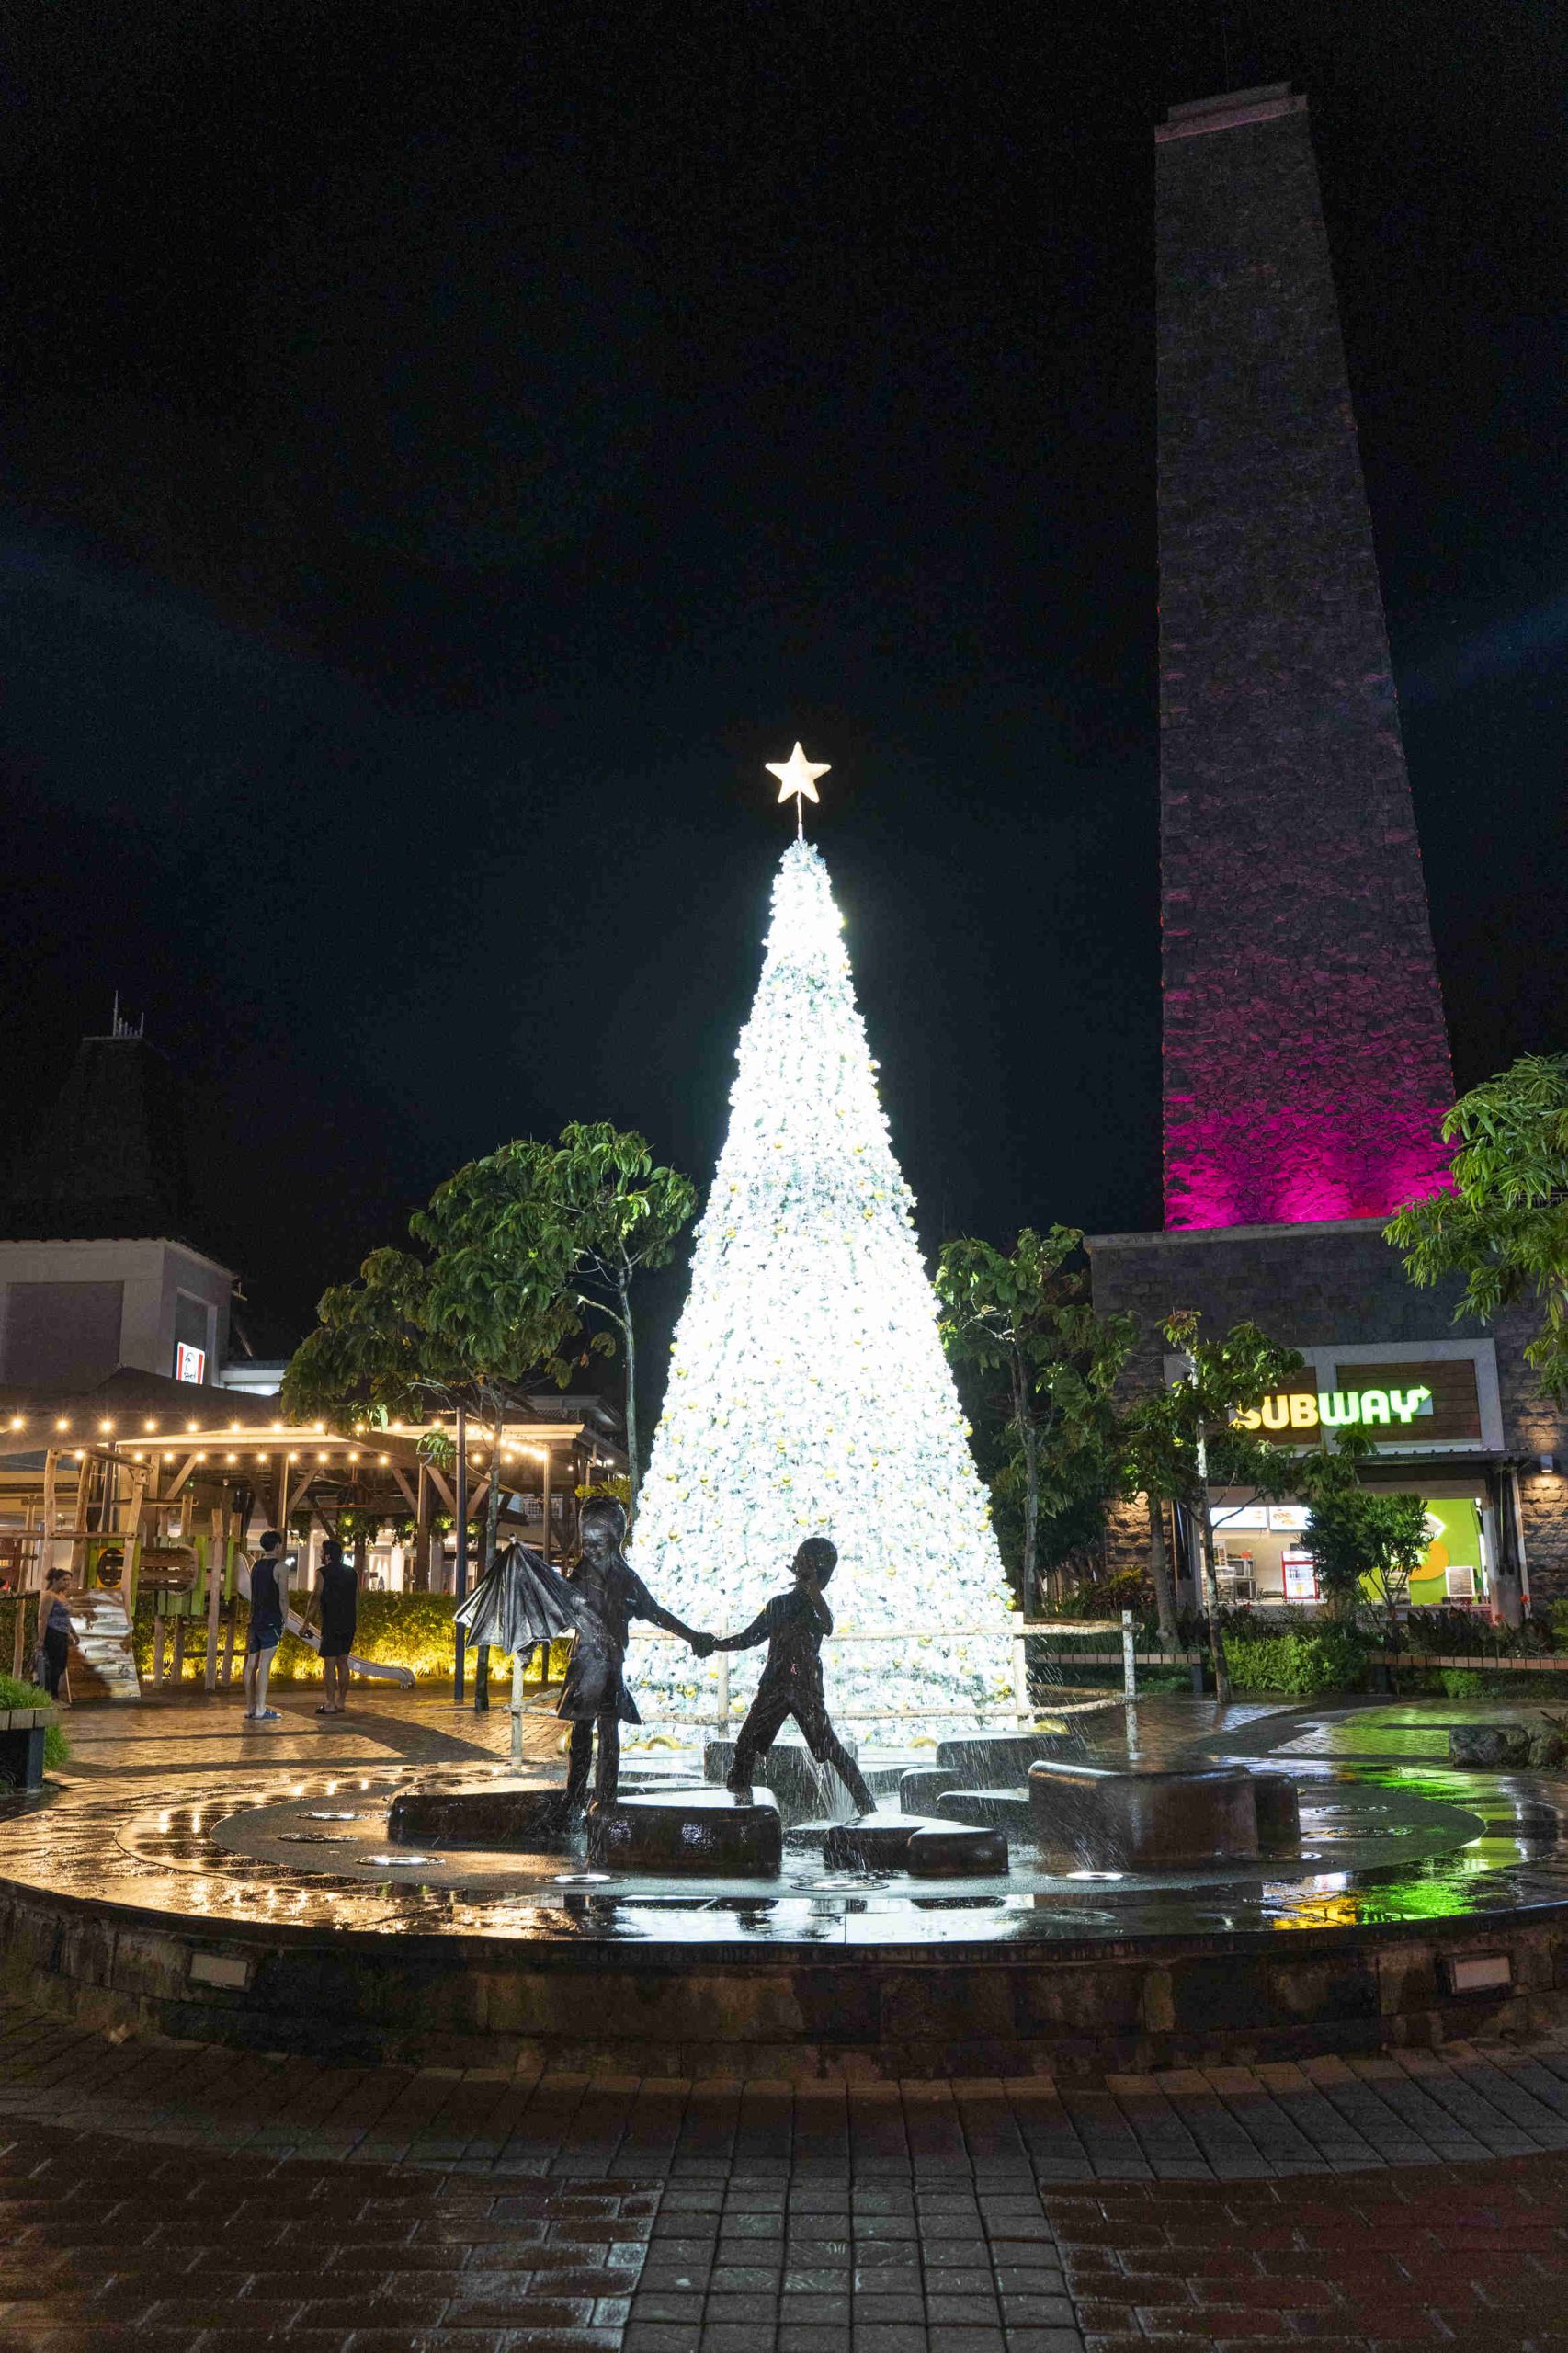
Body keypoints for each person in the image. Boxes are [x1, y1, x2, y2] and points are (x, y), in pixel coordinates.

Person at [456, 1495, 713, 1820]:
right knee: (581, 1734)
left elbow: (655, 1613)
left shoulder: (627, 1580)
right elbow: (557, 1608)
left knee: (609, 1733)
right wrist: (532, 1644)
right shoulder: (579, 1575)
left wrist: (693, 1637)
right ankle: (575, 1796)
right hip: (583, 1664)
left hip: (610, 1667)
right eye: (586, 1541)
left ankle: (605, 1798)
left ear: (616, 1539)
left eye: (599, 1542)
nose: (591, 1549)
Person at [714, 1536, 876, 1816]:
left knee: (832, 1749)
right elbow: (748, 1638)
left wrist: (812, 1589)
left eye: (811, 1566)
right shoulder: (778, 1604)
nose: (802, 1567)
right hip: (774, 1686)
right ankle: (737, 1810)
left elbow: (828, 1626)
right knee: (745, 1745)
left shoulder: (817, 1608)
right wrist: (715, 1644)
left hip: (805, 1689)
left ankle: (869, 1809)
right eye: (801, 1561)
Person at [242, 1530, 287, 1724]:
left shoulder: (256, 1566)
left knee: (251, 1665)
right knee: (264, 1665)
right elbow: (283, 1597)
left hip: (256, 1620)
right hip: (271, 1620)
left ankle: (251, 1707)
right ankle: (261, 1708)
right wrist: (284, 1621)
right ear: (277, 1546)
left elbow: (254, 1593)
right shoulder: (281, 1568)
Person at [312, 1536, 358, 1716]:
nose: (321, 1555)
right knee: (343, 1662)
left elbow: (316, 1596)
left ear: (328, 1555)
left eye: (322, 1552)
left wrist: (307, 1621)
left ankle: (330, 1703)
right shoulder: (352, 1573)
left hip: (331, 1622)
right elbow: (356, 1598)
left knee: (330, 1663)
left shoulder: (322, 1572)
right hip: (348, 1621)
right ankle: (341, 1702)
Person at [33, 1568, 74, 1701]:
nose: (67, 1583)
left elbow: (66, 1618)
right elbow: (43, 1618)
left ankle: (52, 1694)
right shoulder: (49, 1596)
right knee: (53, 1666)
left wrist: (73, 1633)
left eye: (69, 1580)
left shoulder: (62, 1595)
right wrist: (41, 1639)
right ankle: (51, 1695)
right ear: (55, 1580)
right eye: (64, 1580)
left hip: (62, 1634)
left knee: (61, 1665)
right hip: (52, 1634)